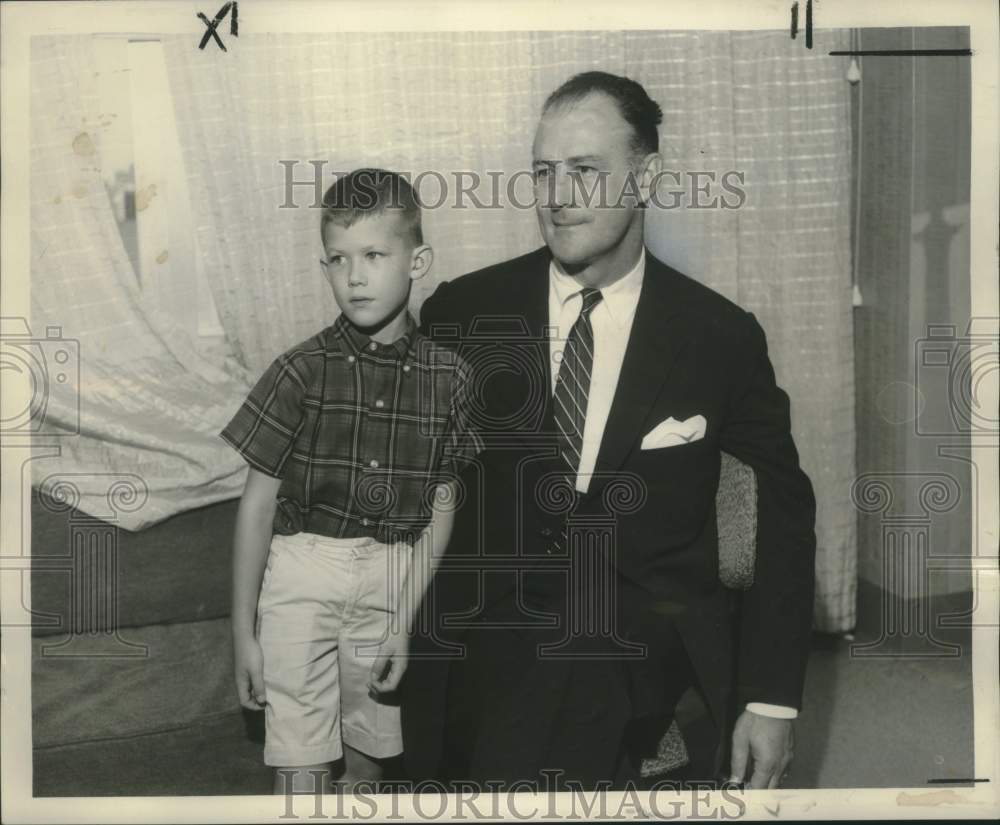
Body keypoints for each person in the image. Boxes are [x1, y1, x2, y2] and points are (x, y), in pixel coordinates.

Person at [402, 72, 817, 791]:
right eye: (543, 172)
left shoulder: (718, 336)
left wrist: (772, 696)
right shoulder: (463, 314)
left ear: (646, 176)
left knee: (568, 666)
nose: (557, 197)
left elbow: (784, 510)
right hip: (492, 622)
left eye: (585, 171)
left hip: (642, 627)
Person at [221, 169, 481, 794]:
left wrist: (405, 621)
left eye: (373, 255)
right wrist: (242, 633)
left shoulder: (452, 377)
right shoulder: (299, 371)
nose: (355, 277)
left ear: (418, 261)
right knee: (299, 762)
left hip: (394, 575)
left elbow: (442, 508)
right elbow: (256, 508)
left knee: (369, 755)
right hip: (302, 568)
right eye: (338, 259)